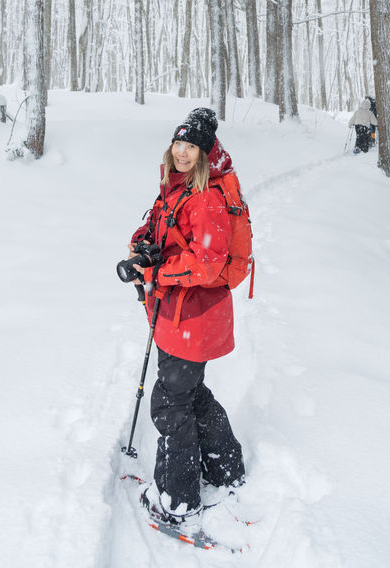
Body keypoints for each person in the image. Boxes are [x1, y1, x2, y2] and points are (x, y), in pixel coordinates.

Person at [126, 107, 245, 525]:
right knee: (189, 394)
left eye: (191, 146)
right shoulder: (176, 186)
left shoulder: (207, 197)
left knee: (170, 403)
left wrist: (156, 272)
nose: (182, 152)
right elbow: (160, 225)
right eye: (179, 143)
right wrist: (141, 244)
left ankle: (178, 500)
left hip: (192, 317)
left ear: (205, 153)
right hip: (182, 315)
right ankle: (226, 467)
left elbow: (209, 264)